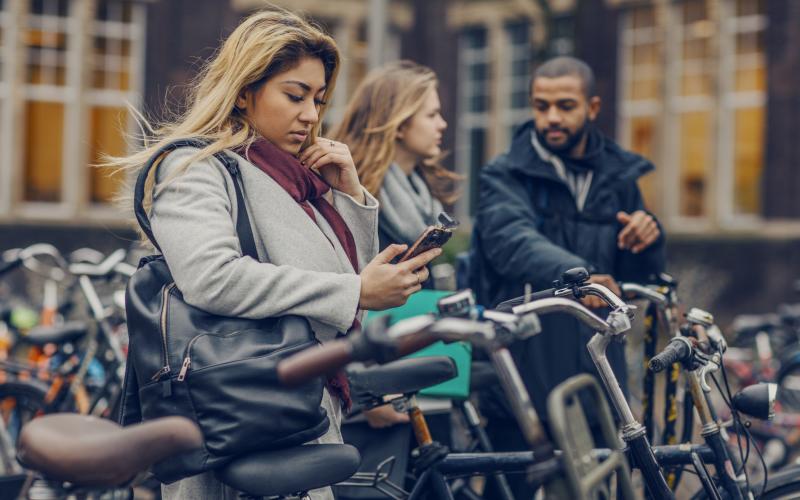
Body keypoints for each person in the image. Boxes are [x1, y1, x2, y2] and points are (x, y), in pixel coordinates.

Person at [109, 9, 440, 500]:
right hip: (238, 425)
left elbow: (349, 304)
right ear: (244, 91)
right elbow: (212, 278)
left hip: (299, 412)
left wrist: (348, 195)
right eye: (295, 95)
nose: (311, 113)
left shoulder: (293, 179)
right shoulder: (196, 168)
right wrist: (354, 290)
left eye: (319, 98)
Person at [473, 56, 665, 498]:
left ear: (592, 108)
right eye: (541, 106)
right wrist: (582, 279)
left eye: (565, 105)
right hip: (524, 381)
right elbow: (510, 240)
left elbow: (639, 275)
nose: (552, 117)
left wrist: (648, 236)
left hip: (599, 378)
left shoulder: (620, 176)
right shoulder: (505, 174)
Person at [333, 60, 460, 430]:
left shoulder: (421, 191)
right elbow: (344, 292)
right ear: (400, 122)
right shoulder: (352, 194)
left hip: (419, 360)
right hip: (375, 383)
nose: (443, 125)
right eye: (432, 114)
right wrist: (368, 390)